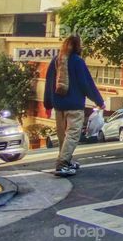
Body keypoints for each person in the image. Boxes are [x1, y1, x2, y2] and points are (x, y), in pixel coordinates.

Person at [44, 35, 105, 176]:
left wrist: (47, 105)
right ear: (78, 47)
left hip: (58, 106)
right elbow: (87, 84)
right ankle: (62, 164)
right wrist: (99, 101)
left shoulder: (55, 61)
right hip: (74, 106)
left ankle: (67, 160)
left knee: (63, 137)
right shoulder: (78, 62)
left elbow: (49, 84)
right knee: (72, 135)